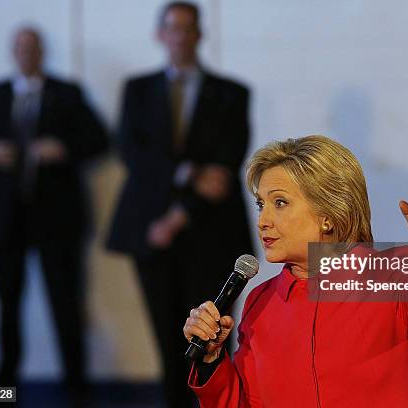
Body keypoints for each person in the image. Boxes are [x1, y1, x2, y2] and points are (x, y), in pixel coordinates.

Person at [183, 135, 408, 407]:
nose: (263, 220)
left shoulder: (388, 275)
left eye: (280, 203)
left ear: (328, 215)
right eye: (261, 204)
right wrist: (211, 361)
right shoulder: (260, 301)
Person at [106, 2, 253, 407]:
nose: (180, 35)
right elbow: (133, 154)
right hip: (151, 234)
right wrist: (186, 174)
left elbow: (222, 173)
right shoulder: (137, 89)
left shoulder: (232, 93)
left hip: (212, 235)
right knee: (167, 341)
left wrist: (178, 216)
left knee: (211, 341)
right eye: (172, 28)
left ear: (199, 34)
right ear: (160, 34)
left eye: (188, 28)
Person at [0, 26, 108, 392]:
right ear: (13, 52)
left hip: (56, 218)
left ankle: (76, 386)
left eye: (33, 47)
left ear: (43, 52)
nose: (27, 54)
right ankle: (3, 384)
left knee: (66, 304)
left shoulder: (67, 94)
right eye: (21, 47)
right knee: (7, 306)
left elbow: (99, 140)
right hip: (6, 218)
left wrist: (63, 149)